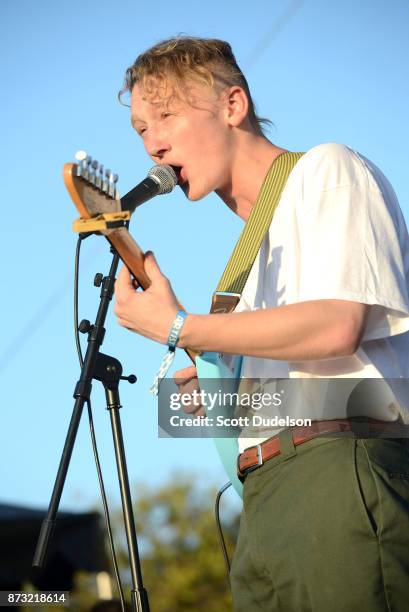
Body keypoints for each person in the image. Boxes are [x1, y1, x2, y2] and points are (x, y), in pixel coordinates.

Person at [113, 36, 409, 611]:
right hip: (262, 502)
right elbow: (299, 392)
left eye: (166, 115)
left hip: (338, 476)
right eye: (141, 130)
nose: (153, 144)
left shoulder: (329, 169)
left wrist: (182, 329)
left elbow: (335, 328)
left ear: (233, 105)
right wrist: (216, 382)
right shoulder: (243, 273)